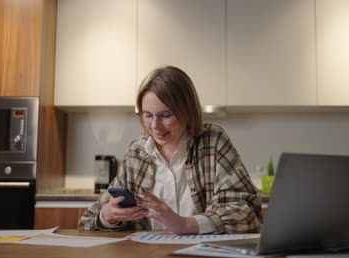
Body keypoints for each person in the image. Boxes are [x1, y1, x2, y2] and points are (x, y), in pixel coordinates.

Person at [79, 66, 262, 234]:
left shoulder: (212, 141)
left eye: (166, 115)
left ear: (187, 110)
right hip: (147, 256)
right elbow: (87, 221)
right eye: (148, 115)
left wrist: (186, 224)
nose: (155, 126)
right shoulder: (138, 152)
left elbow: (245, 212)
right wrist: (107, 216)